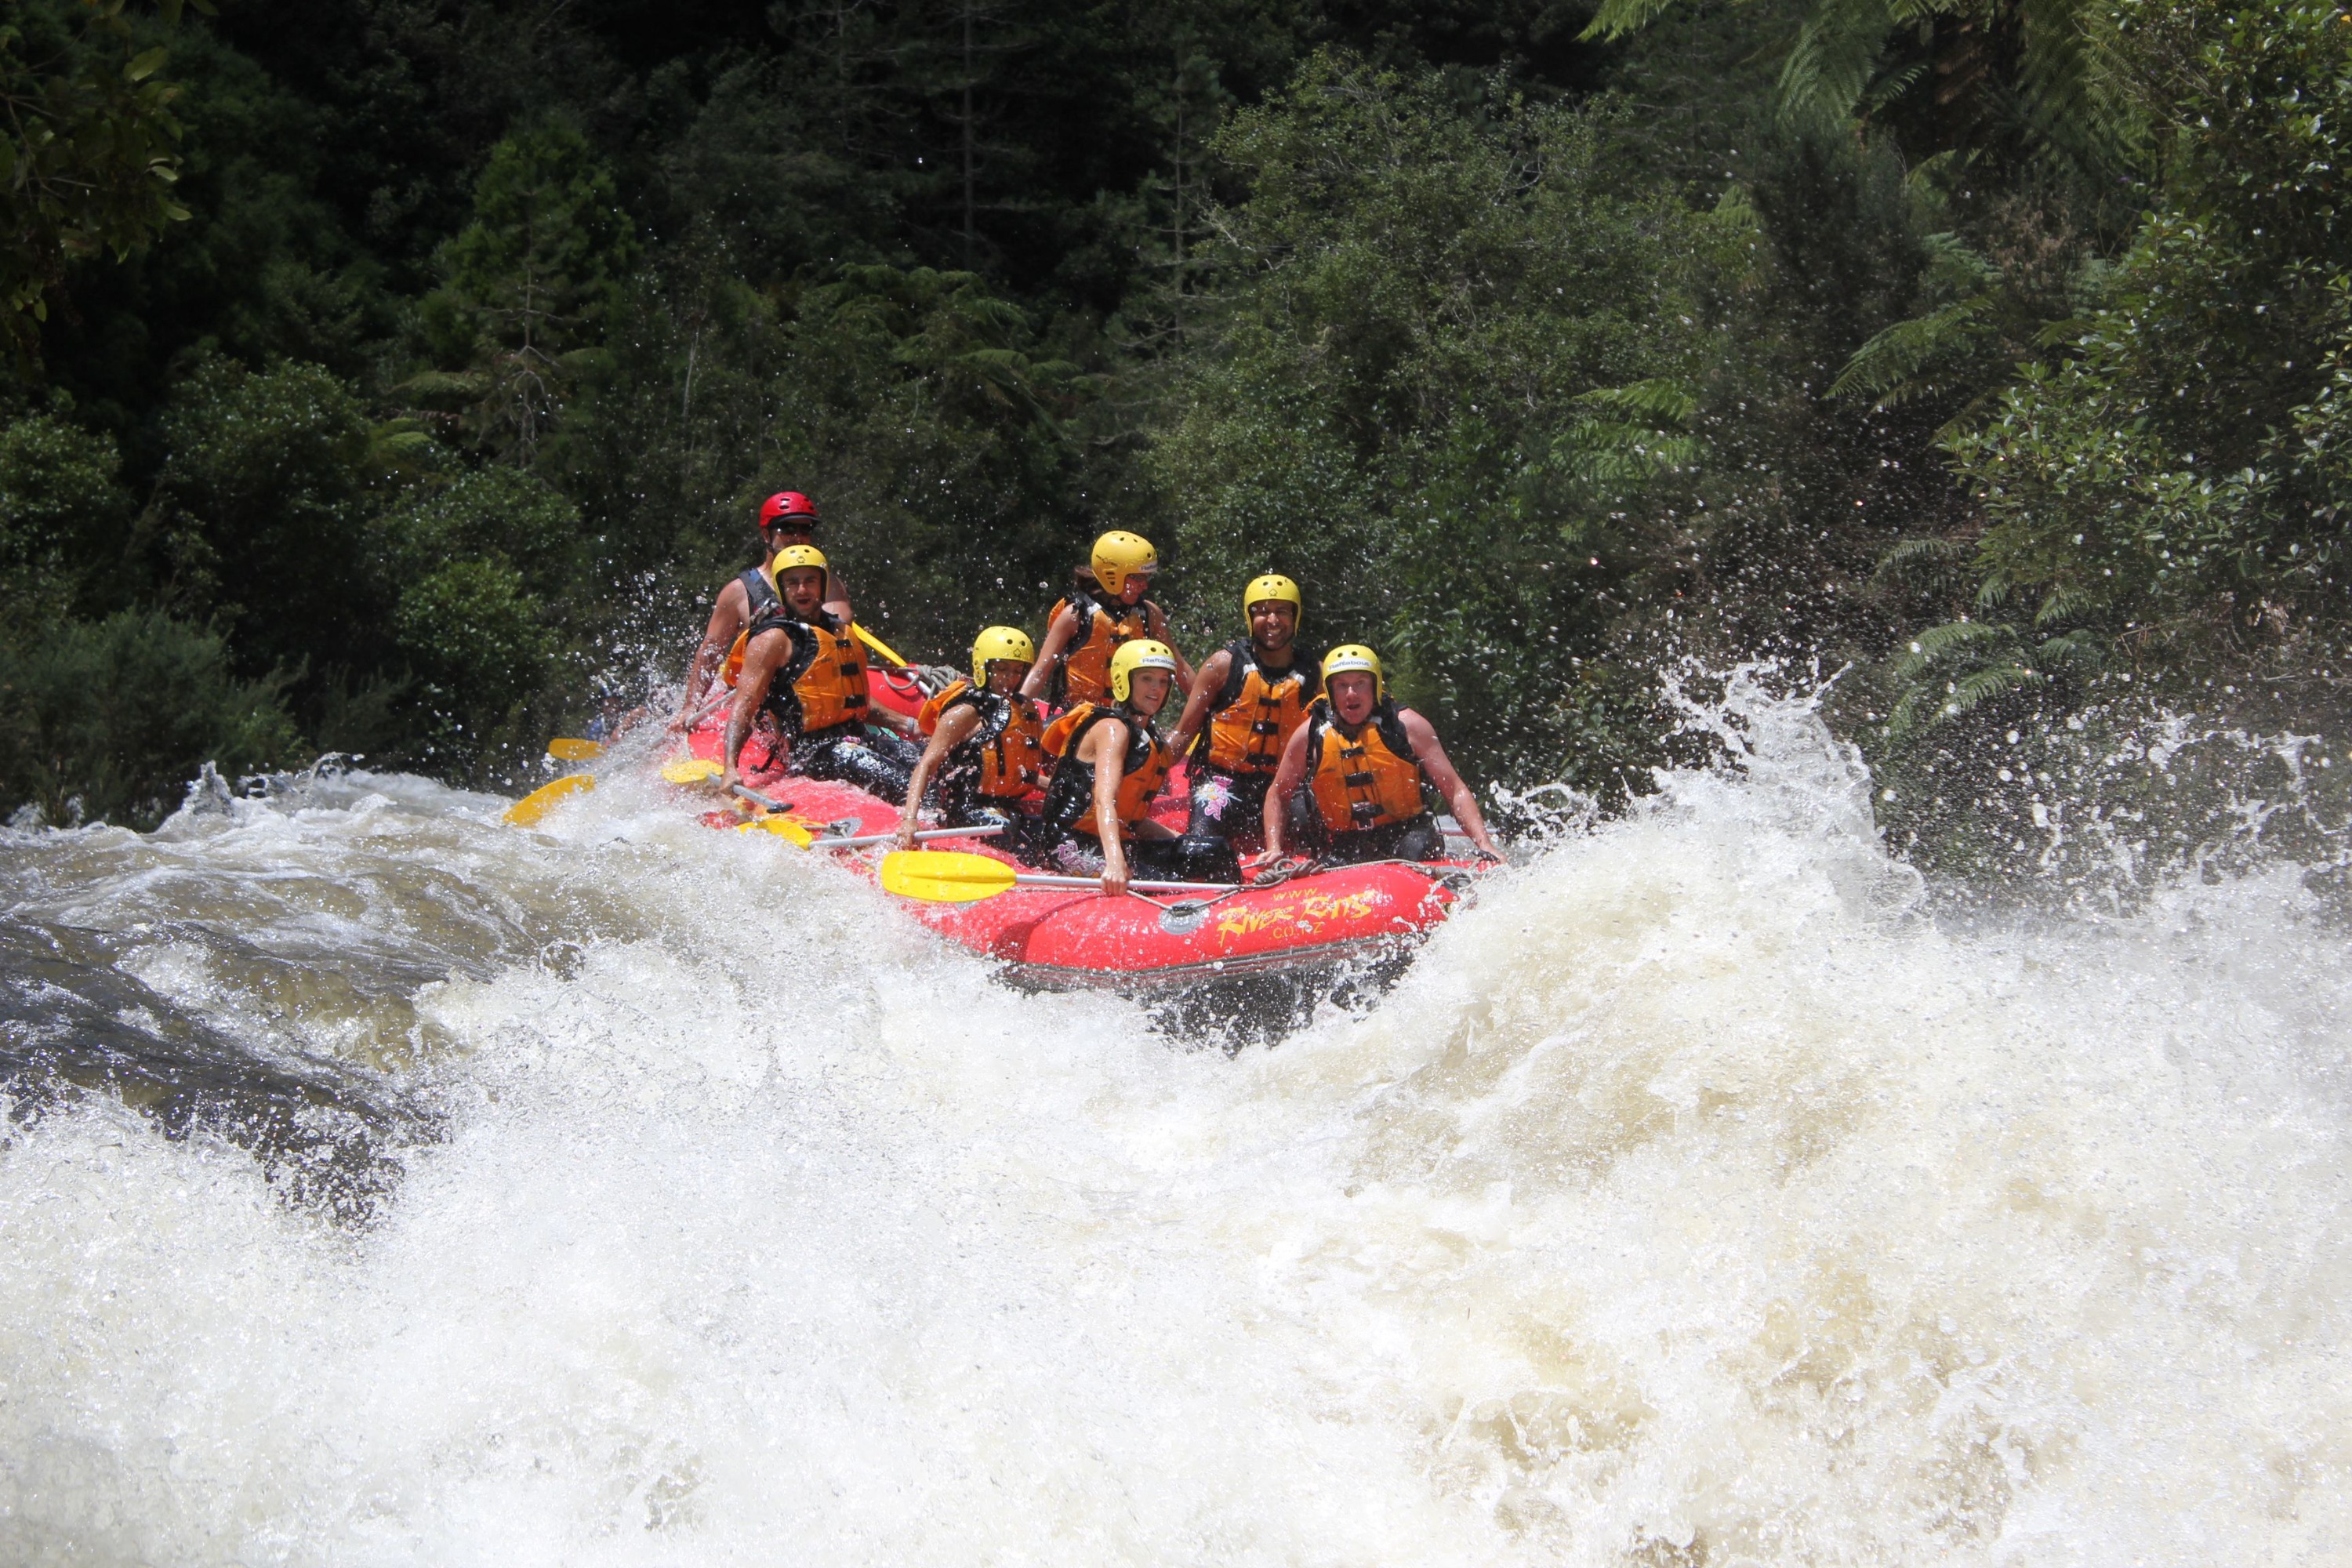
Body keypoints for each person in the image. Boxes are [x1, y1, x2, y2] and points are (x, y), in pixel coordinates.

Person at [1255, 644, 1501, 869]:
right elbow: (1278, 792)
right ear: (1330, 691)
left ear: (1375, 686)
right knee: (1332, 862)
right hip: (1346, 843)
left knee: (1416, 849)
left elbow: (1454, 789)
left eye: (1360, 683)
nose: (1351, 693)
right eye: (1342, 685)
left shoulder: (1409, 726)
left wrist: (1484, 844)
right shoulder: (1309, 736)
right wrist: (1274, 848)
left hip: (1407, 835)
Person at [721, 545, 921, 803]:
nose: (802, 590)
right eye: (793, 583)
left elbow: (855, 703)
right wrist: (729, 767)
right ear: (782, 589)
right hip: (811, 752)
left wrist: (914, 726)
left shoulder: (840, 632)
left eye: (810, 581)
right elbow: (745, 706)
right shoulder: (772, 640)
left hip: (855, 737)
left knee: (930, 763)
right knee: (912, 786)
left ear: (823, 586)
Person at [1164, 572, 1317, 880]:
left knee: (1319, 829)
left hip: (1284, 787)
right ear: (1250, 618)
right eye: (1262, 611)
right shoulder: (1222, 665)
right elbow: (1183, 733)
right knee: (1201, 844)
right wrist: (1143, 773)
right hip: (1224, 783)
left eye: (1282, 611)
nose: (1272, 620)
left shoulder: (1316, 673)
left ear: (1295, 616)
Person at [1018, 639, 1190, 896]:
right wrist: (1115, 863)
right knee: (1166, 884)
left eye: (1163, 681)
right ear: (1124, 681)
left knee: (1210, 853)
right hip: (1067, 843)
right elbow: (1104, 800)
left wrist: (1181, 841)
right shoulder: (1113, 729)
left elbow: (1131, 820)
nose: (1156, 689)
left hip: (1112, 839)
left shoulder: (1149, 737)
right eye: (1147, 679)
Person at [673, 492, 853, 731]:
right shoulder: (738, 592)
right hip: (761, 699)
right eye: (788, 529)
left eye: (805, 529)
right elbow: (711, 652)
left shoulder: (826, 584)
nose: (798, 537)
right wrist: (690, 707)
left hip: (815, 697)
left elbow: (840, 627)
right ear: (766, 534)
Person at [893, 626, 1049, 848]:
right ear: (983, 667)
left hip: (1007, 808)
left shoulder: (1022, 709)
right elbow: (927, 764)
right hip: (966, 809)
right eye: (1002, 669)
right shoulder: (966, 712)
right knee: (1022, 845)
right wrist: (909, 820)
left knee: (1052, 840)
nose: (1010, 678)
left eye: (1017, 671)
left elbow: (1016, 771)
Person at [1022, 530, 1192, 709]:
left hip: (1131, 718)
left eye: (1147, 577)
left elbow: (1181, 669)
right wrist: (1017, 710)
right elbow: (1041, 671)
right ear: (1113, 575)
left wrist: (1210, 711)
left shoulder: (1150, 614)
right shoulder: (1075, 615)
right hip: (1079, 717)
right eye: (1138, 577)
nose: (1145, 585)